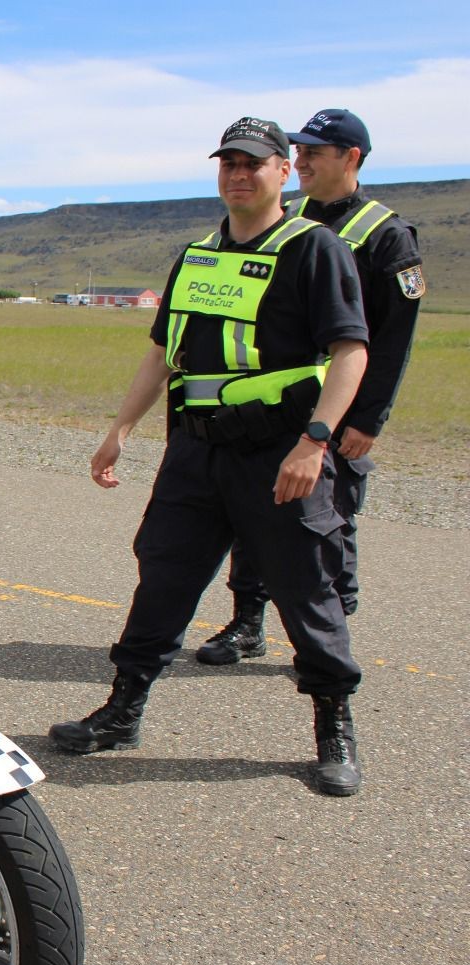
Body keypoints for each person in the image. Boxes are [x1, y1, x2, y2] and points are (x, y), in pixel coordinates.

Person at [47, 118, 371, 797]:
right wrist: (121, 430)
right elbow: (165, 352)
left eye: (253, 163)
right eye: (227, 163)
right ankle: (122, 710)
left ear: (284, 170)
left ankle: (333, 727)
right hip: (195, 452)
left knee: (306, 591)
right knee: (162, 578)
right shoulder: (197, 254)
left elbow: (351, 353)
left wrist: (314, 442)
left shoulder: (314, 250)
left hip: (279, 455)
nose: (238, 174)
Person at [196, 108, 425, 665]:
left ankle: (329, 633)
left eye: (313, 154)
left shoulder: (384, 235)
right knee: (255, 512)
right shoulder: (286, 219)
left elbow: (391, 340)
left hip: (337, 405)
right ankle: (247, 623)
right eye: (296, 153)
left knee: (328, 523)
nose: (300, 163)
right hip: (276, 401)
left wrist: (367, 420)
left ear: (351, 158)